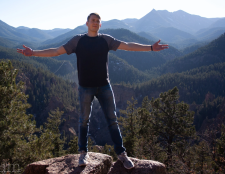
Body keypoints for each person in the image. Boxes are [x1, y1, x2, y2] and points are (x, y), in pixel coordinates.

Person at [17, 13, 168, 169]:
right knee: (83, 121)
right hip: (85, 87)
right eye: (93, 20)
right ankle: (83, 153)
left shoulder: (106, 40)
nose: (95, 23)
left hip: (104, 86)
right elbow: (56, 51)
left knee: (112, 120)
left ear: (100, 25)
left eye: (98, 21)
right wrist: (33, 52)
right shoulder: (77, 40)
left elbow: (128, 46)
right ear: (87, 23)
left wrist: (150, 48)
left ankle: (122, 154)